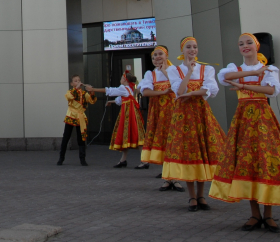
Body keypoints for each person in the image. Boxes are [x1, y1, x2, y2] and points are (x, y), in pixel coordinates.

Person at [210, 33, 280, 232]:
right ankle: (254, 214)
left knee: (266, 163)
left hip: (263, 120)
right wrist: (254, 75)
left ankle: (268, 215)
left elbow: (270, 91)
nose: (245, 46)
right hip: (243, 121)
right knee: (246, 165)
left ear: (257, 46)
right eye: (241, 43)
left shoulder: (270, 69)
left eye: (249, 42)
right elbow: (225, 77)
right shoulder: (237, 68)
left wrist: (242, 86)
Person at [161, 37, 226, 212]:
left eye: (195, 47)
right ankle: (192, 196)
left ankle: (201, 195)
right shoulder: (174, 70)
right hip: (183, 116)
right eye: (188, 47)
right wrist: (189, 72)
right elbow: (179, 91)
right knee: (188, 153)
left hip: (201, 113)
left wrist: (191, 93)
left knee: (203, 152)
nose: (192, 50)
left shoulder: (207, 69)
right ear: (182, 50)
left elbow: (210, 90)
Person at [138, 46, 183, 192]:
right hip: (159, 111)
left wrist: (165, 71)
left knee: (175, 142)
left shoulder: (175, 70)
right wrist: (163, 91)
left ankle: (176, 178)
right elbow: (145, 92)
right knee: (163, 141)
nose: (157, 57)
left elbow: (181, 87)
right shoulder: (150, 74)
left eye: (160, 54)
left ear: (167, 55)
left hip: (175, 110)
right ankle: (167, 178)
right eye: (154, 55)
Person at [88, 74, 145, 168]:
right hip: (130, 114)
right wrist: (111, 101)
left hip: (129, 115)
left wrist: (93, 89)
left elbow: (110, 90)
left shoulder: (124, 88)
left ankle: (144, 161)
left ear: (126, 80)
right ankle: (124, 160)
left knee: (136, 135)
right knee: (128, 136)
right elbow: (121, 99)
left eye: (122, 78)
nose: (120, 79)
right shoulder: (128, 88)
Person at [57, 75, 96, 166]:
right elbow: (69, 97)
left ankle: (82, 159)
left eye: (79, 80)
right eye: (75, 81)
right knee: (66, 137)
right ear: (72, 84)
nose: (78, 82)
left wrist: (92, 92)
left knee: (81, 138)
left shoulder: (84, 93)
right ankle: (61, 158)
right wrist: (76, 88)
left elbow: (92, 101)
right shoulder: (70, 91)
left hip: (80, 117)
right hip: (71, 116)